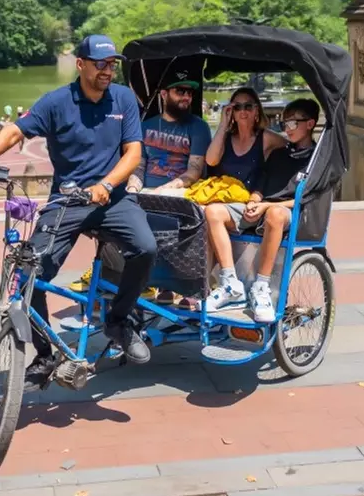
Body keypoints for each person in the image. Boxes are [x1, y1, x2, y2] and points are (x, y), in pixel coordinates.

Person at [0, 34, 157, 384]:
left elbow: (134, 154)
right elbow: (14, 132)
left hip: (114, 198)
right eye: (100, 64)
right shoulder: (57, 102)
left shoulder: (124, 99)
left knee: (146, 247)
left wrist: (107, 185)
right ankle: (45, 354)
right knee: (31, 272)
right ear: (80, 64)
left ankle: (118, 321)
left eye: (112, 65)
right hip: (67, 200)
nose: (107, 71)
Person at [69, 70, 211, 299]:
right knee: (114, 208)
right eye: (180, 91)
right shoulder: (146, 126)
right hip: (146, 191)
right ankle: (111, 273)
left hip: (180, 193)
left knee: (168, 211)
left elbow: (194, 171)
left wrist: (162, 190)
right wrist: (133, 188)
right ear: (164, 94)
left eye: (190, 92)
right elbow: (139, 166)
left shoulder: (198, 127)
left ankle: (169, 284)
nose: (187, 97)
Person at [203, 98, 320, 322]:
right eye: (285, 124)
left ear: (310, 124)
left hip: (289, 212)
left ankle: (261, 286)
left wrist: (267, 206)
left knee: (274, 214)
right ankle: (230, 284)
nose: (287, 129)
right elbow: (261, 181)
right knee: (213, 212)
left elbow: (306, 198)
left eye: (293, 124)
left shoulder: (317, 160)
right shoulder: (279, 154)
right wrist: (255, 199)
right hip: (262, 208)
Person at [204, 87, 286, 190]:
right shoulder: (224, 138)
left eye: (248, 106)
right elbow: (211, 161)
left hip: (251, 200)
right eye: (237, 107)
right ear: (232, 112)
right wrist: (223, 124)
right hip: (224, 196)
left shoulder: (266, 138)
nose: (243, 111)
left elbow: (293, 147)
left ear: (256, 110)